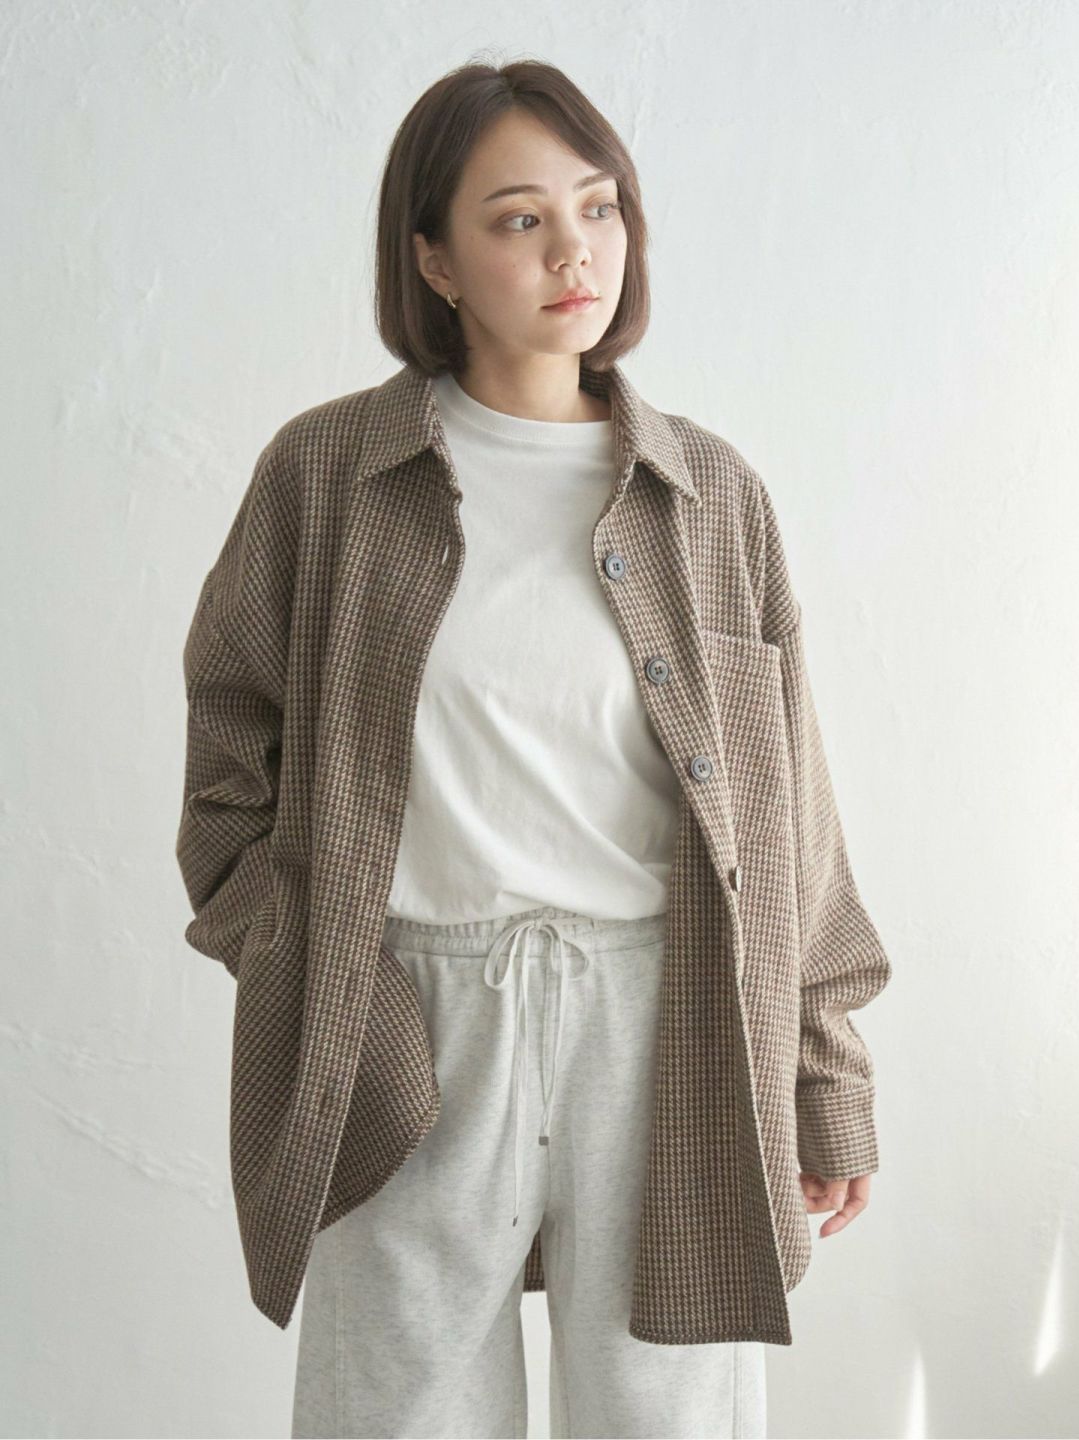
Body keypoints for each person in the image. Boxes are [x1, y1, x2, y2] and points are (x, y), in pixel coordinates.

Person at [176, 57, 892, 1440]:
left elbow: (787, 816)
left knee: (673, 1417)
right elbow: (225, 766)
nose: (576, 251)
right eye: (519, 218)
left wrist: (829, 1076)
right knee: (395, 1415)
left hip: (670, 1018)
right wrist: (311, 966)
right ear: (434, 260)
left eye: (599, 206)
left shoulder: (709, 493)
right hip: (411, 1007)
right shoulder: (327, 478)